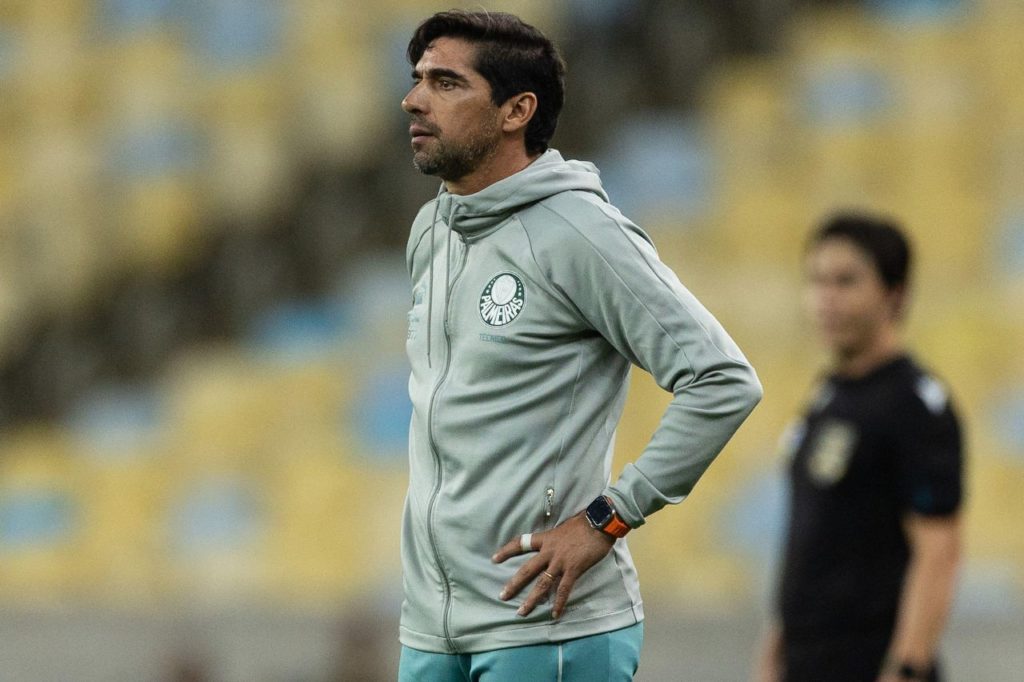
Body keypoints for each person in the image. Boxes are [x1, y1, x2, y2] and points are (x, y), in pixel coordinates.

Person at [396, 10, 762, 681]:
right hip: (431, 628)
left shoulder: (579, 233)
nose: (414, 99)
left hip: (543, 628)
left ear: (516, 110)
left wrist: (606, 519)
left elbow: (722, 380)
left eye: (446, 83)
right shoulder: (433, 231)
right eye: (418, 79)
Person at [753, 214, 964, 682]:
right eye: (817, 280)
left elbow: (938, 553)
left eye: (846, 281)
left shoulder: (915, 406)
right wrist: (773, 652)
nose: (826, 298)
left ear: (896, 294)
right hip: (806, 663)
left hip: (869, 663)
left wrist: (906, 668)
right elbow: (807, 539)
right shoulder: (828, 395)